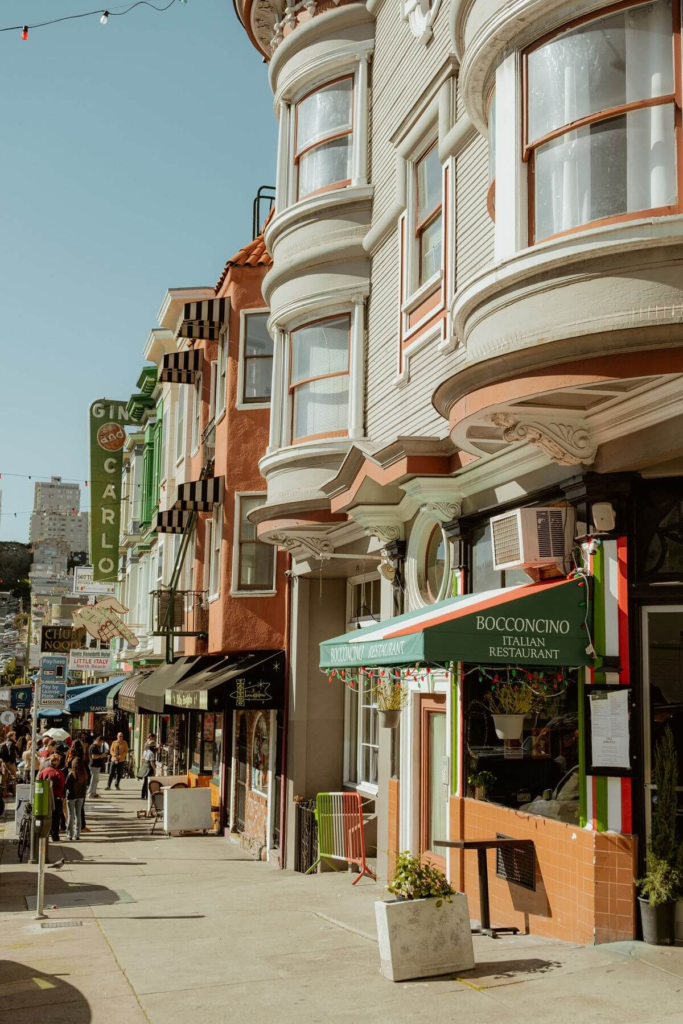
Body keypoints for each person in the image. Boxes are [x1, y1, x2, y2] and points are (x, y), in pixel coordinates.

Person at [38, 753, 66, 842]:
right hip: (56, 797)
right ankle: (55, 836)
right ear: (58, 762)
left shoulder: (43, 771)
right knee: (56, 818)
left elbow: (38, 782)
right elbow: (62, 785)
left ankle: (45, 834)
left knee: (45, 817)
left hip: (44, 797)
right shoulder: (59, 773)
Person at [64, 757, 89, 841]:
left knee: (71, 815)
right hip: (81, 796)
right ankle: (77, 834)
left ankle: (69, 834)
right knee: (78, 815)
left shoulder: (71, 774)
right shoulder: (84, 773)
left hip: (72, 796)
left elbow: (66, 785)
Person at [139, 735, 157, 800]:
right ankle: (147, 795)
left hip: (145, 766)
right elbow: (152, 762)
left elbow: (143, 760)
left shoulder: (145, 752)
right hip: (149, 767)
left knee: (145, 782)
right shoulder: (152, 753)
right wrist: (155, 769)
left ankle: (143, 795)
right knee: (149, 782)